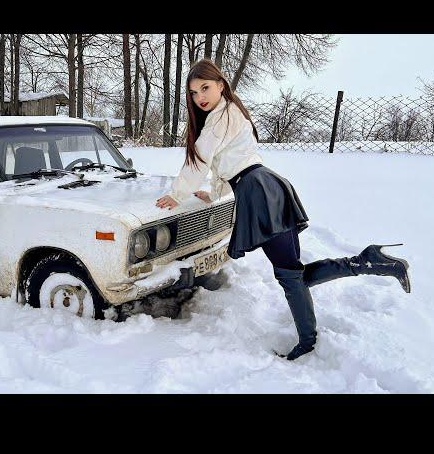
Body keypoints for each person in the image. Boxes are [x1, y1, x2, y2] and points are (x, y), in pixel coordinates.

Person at [155, 59, 411, 361]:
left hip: (258, 191)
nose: (200, 97)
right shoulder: (231, 113)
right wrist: (212, 192)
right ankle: (368, 261)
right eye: (194, 92)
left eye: (205, 87)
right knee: (292, 272)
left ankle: (309, 341)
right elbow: (233, 161)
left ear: (221, 85)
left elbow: (199, 160)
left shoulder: (220, 117)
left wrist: (177, 194)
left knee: (290, 276)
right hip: (267, 185)